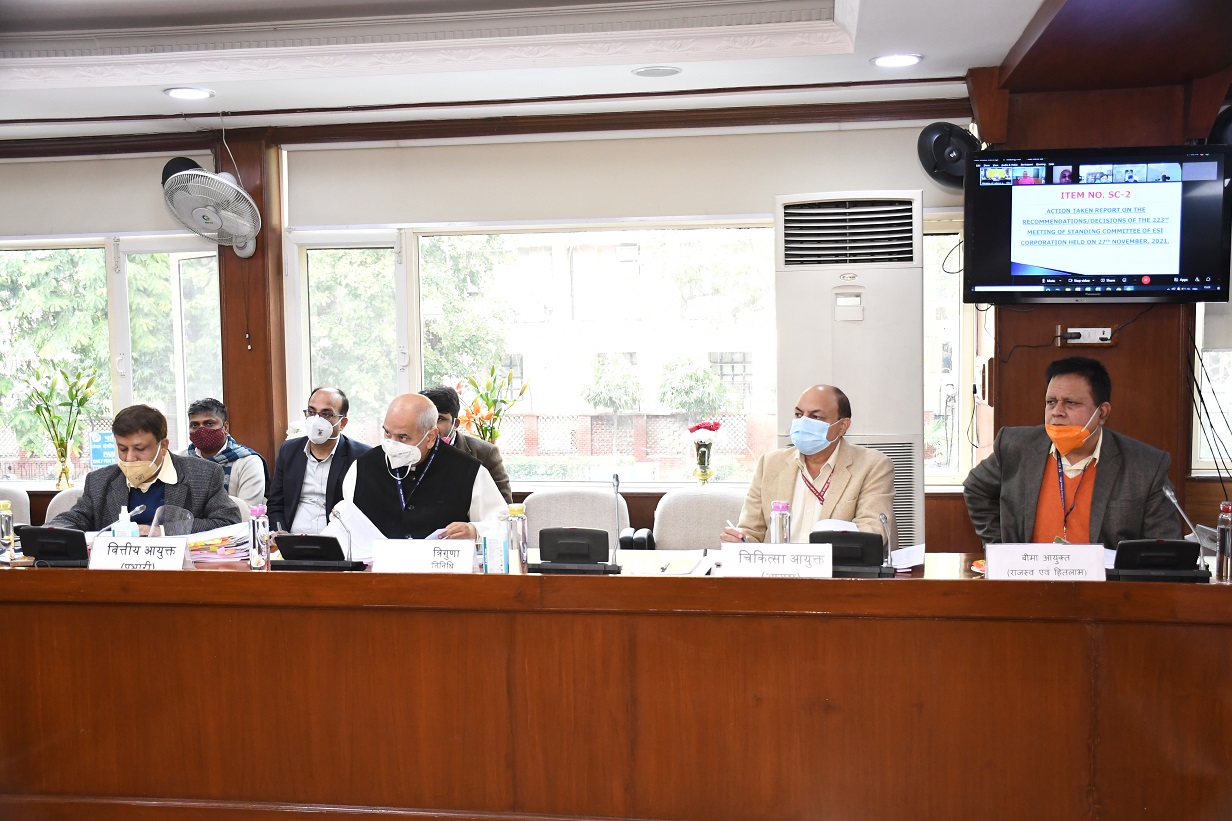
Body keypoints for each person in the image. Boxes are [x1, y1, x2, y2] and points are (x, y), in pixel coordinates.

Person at [962, 356, 1179, 549]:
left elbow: (1163, 550)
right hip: (1029, 577)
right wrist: (1000, 548)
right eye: (1051, 402)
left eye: (1071, 403)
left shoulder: (1145, 466)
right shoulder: (1016, 447)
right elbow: (975, 488)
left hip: (1104, 581)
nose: (1057, 412)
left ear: (1102, 413)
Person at [721, 385, 895, 544]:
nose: (803, 422)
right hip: (778, 567)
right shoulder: (769, 464)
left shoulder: (872, 466)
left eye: (815, 417)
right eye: (798, 415)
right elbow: (751, 531)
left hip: (836, 567)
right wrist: (740, 541)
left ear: (842, 426)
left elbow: (871, 530)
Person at [47, 404, 240, 534]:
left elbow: (228, 523)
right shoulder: (100, 481)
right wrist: (53, 531)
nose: (129, 458)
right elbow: (73, 519)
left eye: (140, 449)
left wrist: (161, 531)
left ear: (163, 446)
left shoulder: (203, 475)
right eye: (122, 449)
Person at [342, 393, 505, 540]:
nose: (392, 444)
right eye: (387, 433)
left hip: (442, 563)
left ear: (431, 437)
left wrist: (475, 531)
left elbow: (501, 523)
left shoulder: (468, 470)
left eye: (403, 437)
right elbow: (345, 525)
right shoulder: (362, 467)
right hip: (376, 563)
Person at [267, 387, 370, 535]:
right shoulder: (288, 451)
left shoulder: (361, 457)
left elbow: (364, 512)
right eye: (311, 412)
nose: (316, 420)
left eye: (326, 414)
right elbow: (275, 503)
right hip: (291, 539)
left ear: (342, 423)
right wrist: (280, 534)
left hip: (337, 541)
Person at [420, 385, 513, 503]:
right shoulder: (409, 451)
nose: (431, 426)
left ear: (456, 424)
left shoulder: (485, 453)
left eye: (439, 419)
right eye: (425, 418)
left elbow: (503, 505)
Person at [182, 397, 268, 509]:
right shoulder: (180, 459)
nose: (201, 430)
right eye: (195, 425)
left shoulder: (248, 462)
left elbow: (247, 511)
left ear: (225, 427)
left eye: (209, 423)